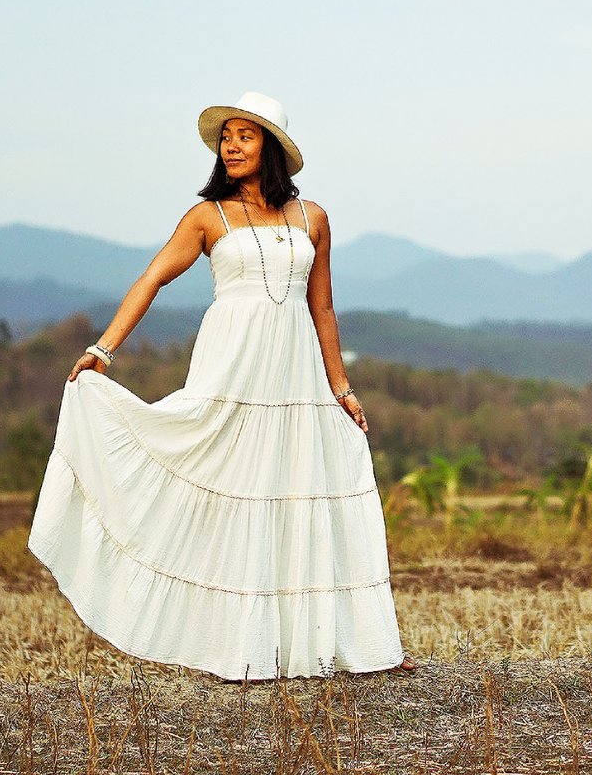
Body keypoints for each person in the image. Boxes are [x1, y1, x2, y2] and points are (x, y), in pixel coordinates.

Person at [27, 90, 416, 680]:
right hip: (231, 364)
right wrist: (102, 348)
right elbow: (153, 277)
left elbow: (323, 307)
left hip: (296, 373)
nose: (231, 145)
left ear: (273, 147)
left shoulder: (313, 218)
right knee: (228, 484)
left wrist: (340, 386)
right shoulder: (208, 216)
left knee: (304, 485)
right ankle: (235, 646)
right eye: (225, 136)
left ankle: (341, 646)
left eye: (245, 135)